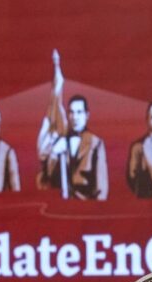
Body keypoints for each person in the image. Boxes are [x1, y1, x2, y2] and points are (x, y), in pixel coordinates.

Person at [37, 50, 108, 200]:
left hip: (87, 206)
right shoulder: (60, 140)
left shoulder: (95, 143)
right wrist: (54, 154)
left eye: (79, 112)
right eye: (72, 112)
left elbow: (101, 186)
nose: (75, 117)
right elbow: (46, 177)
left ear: (87, 115)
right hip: (62, 205)